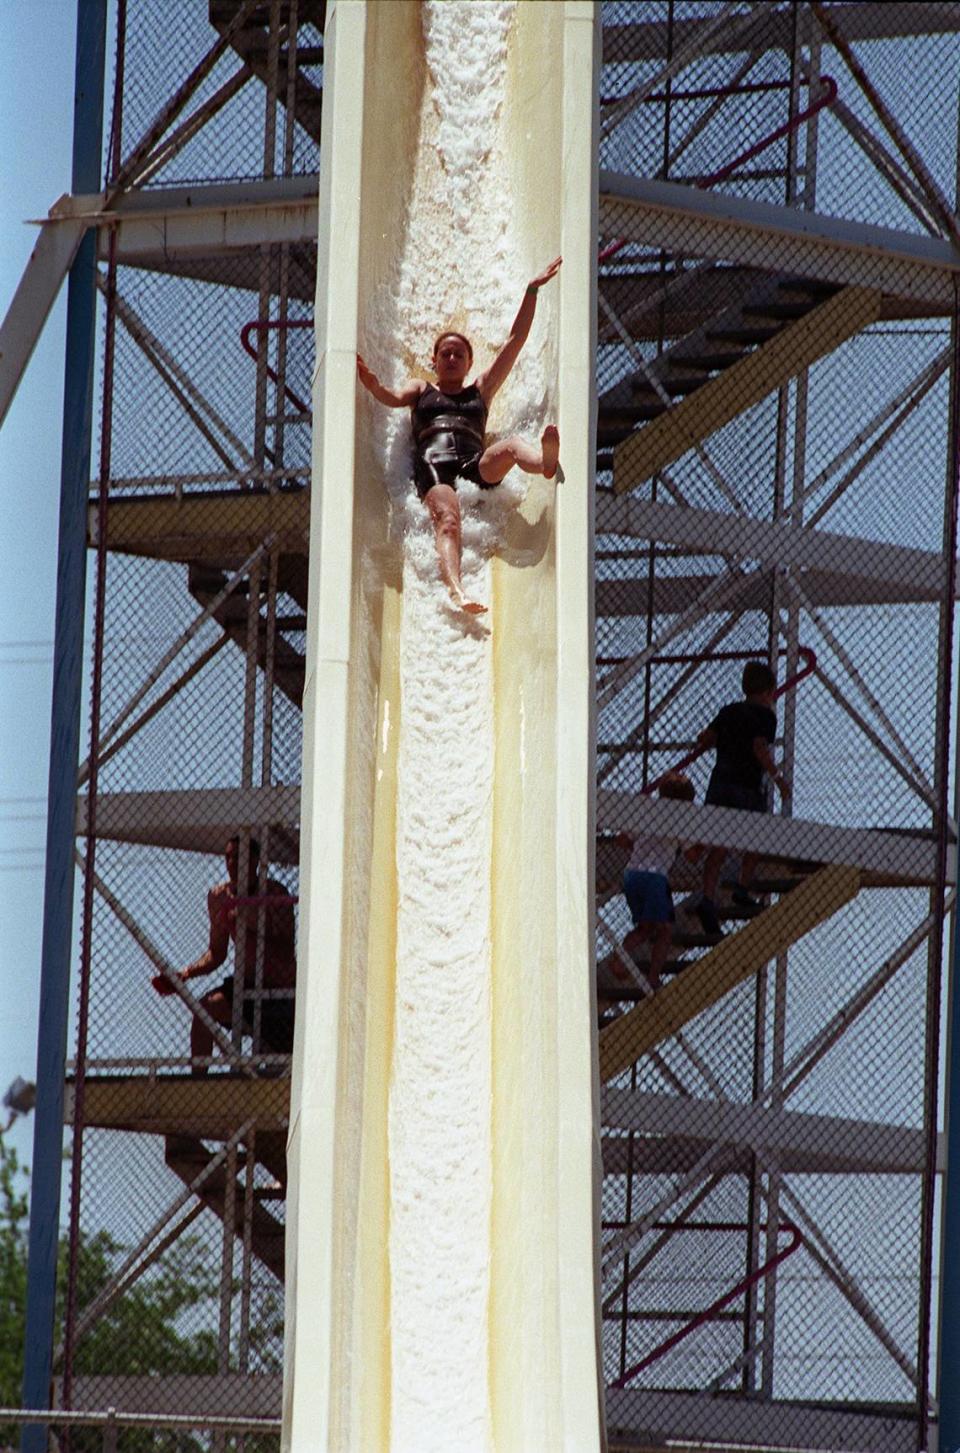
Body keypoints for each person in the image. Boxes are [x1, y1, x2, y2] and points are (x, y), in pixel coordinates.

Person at [356, 256, 563, 615]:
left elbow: (515, 343)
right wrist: (374, 386)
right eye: (445, 353)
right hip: (435, 469)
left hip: (473, 463)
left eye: (459, 354)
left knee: (512, 447)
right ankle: (457, 590)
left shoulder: (480, 390)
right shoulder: (421, 389)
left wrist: (531, 290)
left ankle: (544, 464)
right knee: (449, 520)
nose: (452, 358)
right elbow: (391, 398)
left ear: (469, 363)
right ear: (434, 361)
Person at [152, 835, 297, 1073]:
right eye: (227, 857)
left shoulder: (275, 892)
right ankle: (197, 1083)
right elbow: (216, 953)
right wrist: (186, 973)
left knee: (275, 1068)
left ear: (255, 861)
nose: (231, 863)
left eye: (239, 857)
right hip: (245, 984)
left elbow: (284, 946)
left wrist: (249, 923)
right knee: (204, 1010)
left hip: (279, 989)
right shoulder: (220, 897)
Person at [696, 661, 791, 936]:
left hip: (720, 783)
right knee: (757, 836)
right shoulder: (765, 716)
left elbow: (707, 737)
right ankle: (742, 885)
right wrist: (778, 778)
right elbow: (759, 747)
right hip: (746, 786)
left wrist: (706, 740)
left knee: (719, 845)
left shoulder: (729, 711)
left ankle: (707, 897)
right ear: (768, 692)